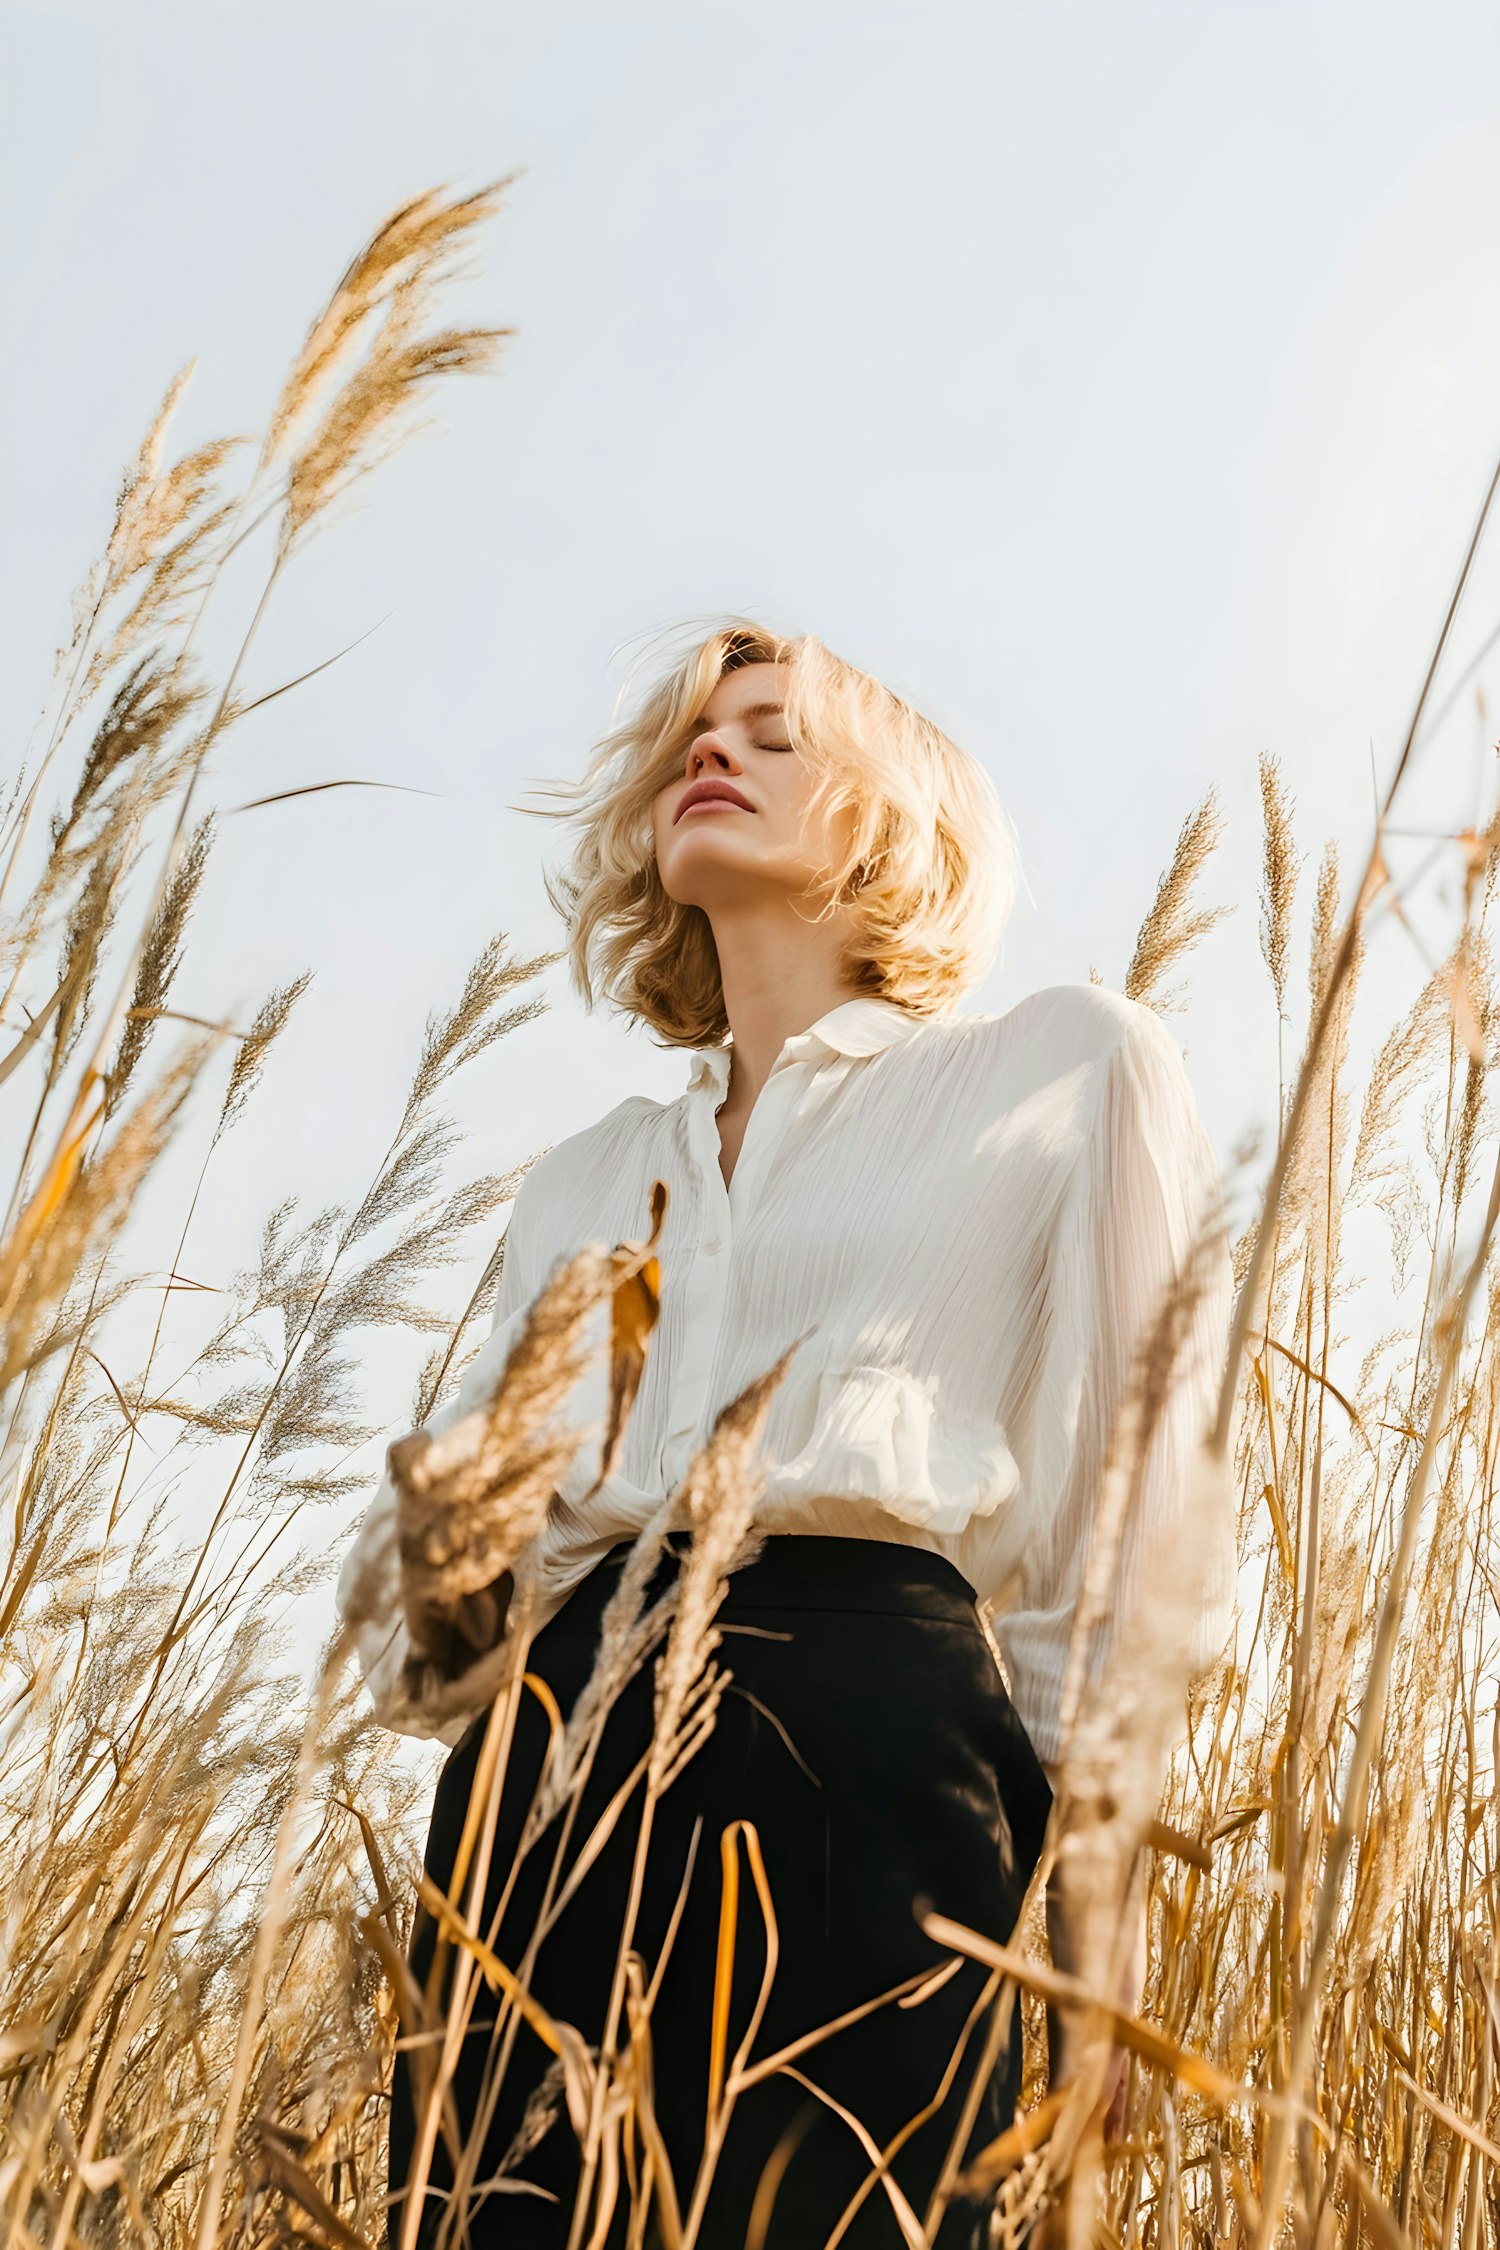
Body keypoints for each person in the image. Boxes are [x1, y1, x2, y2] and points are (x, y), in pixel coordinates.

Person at [337, 621, 1237, 2248]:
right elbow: (454, 1648)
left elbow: (1134, 1519)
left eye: (773, 731)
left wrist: (1099, 1925)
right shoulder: (584, 1176)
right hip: (552, 1758)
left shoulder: (1068, 1069)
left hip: (870, 1736)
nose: (714, 751)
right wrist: (446, 1537)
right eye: (696, 733)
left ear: (896, 817)